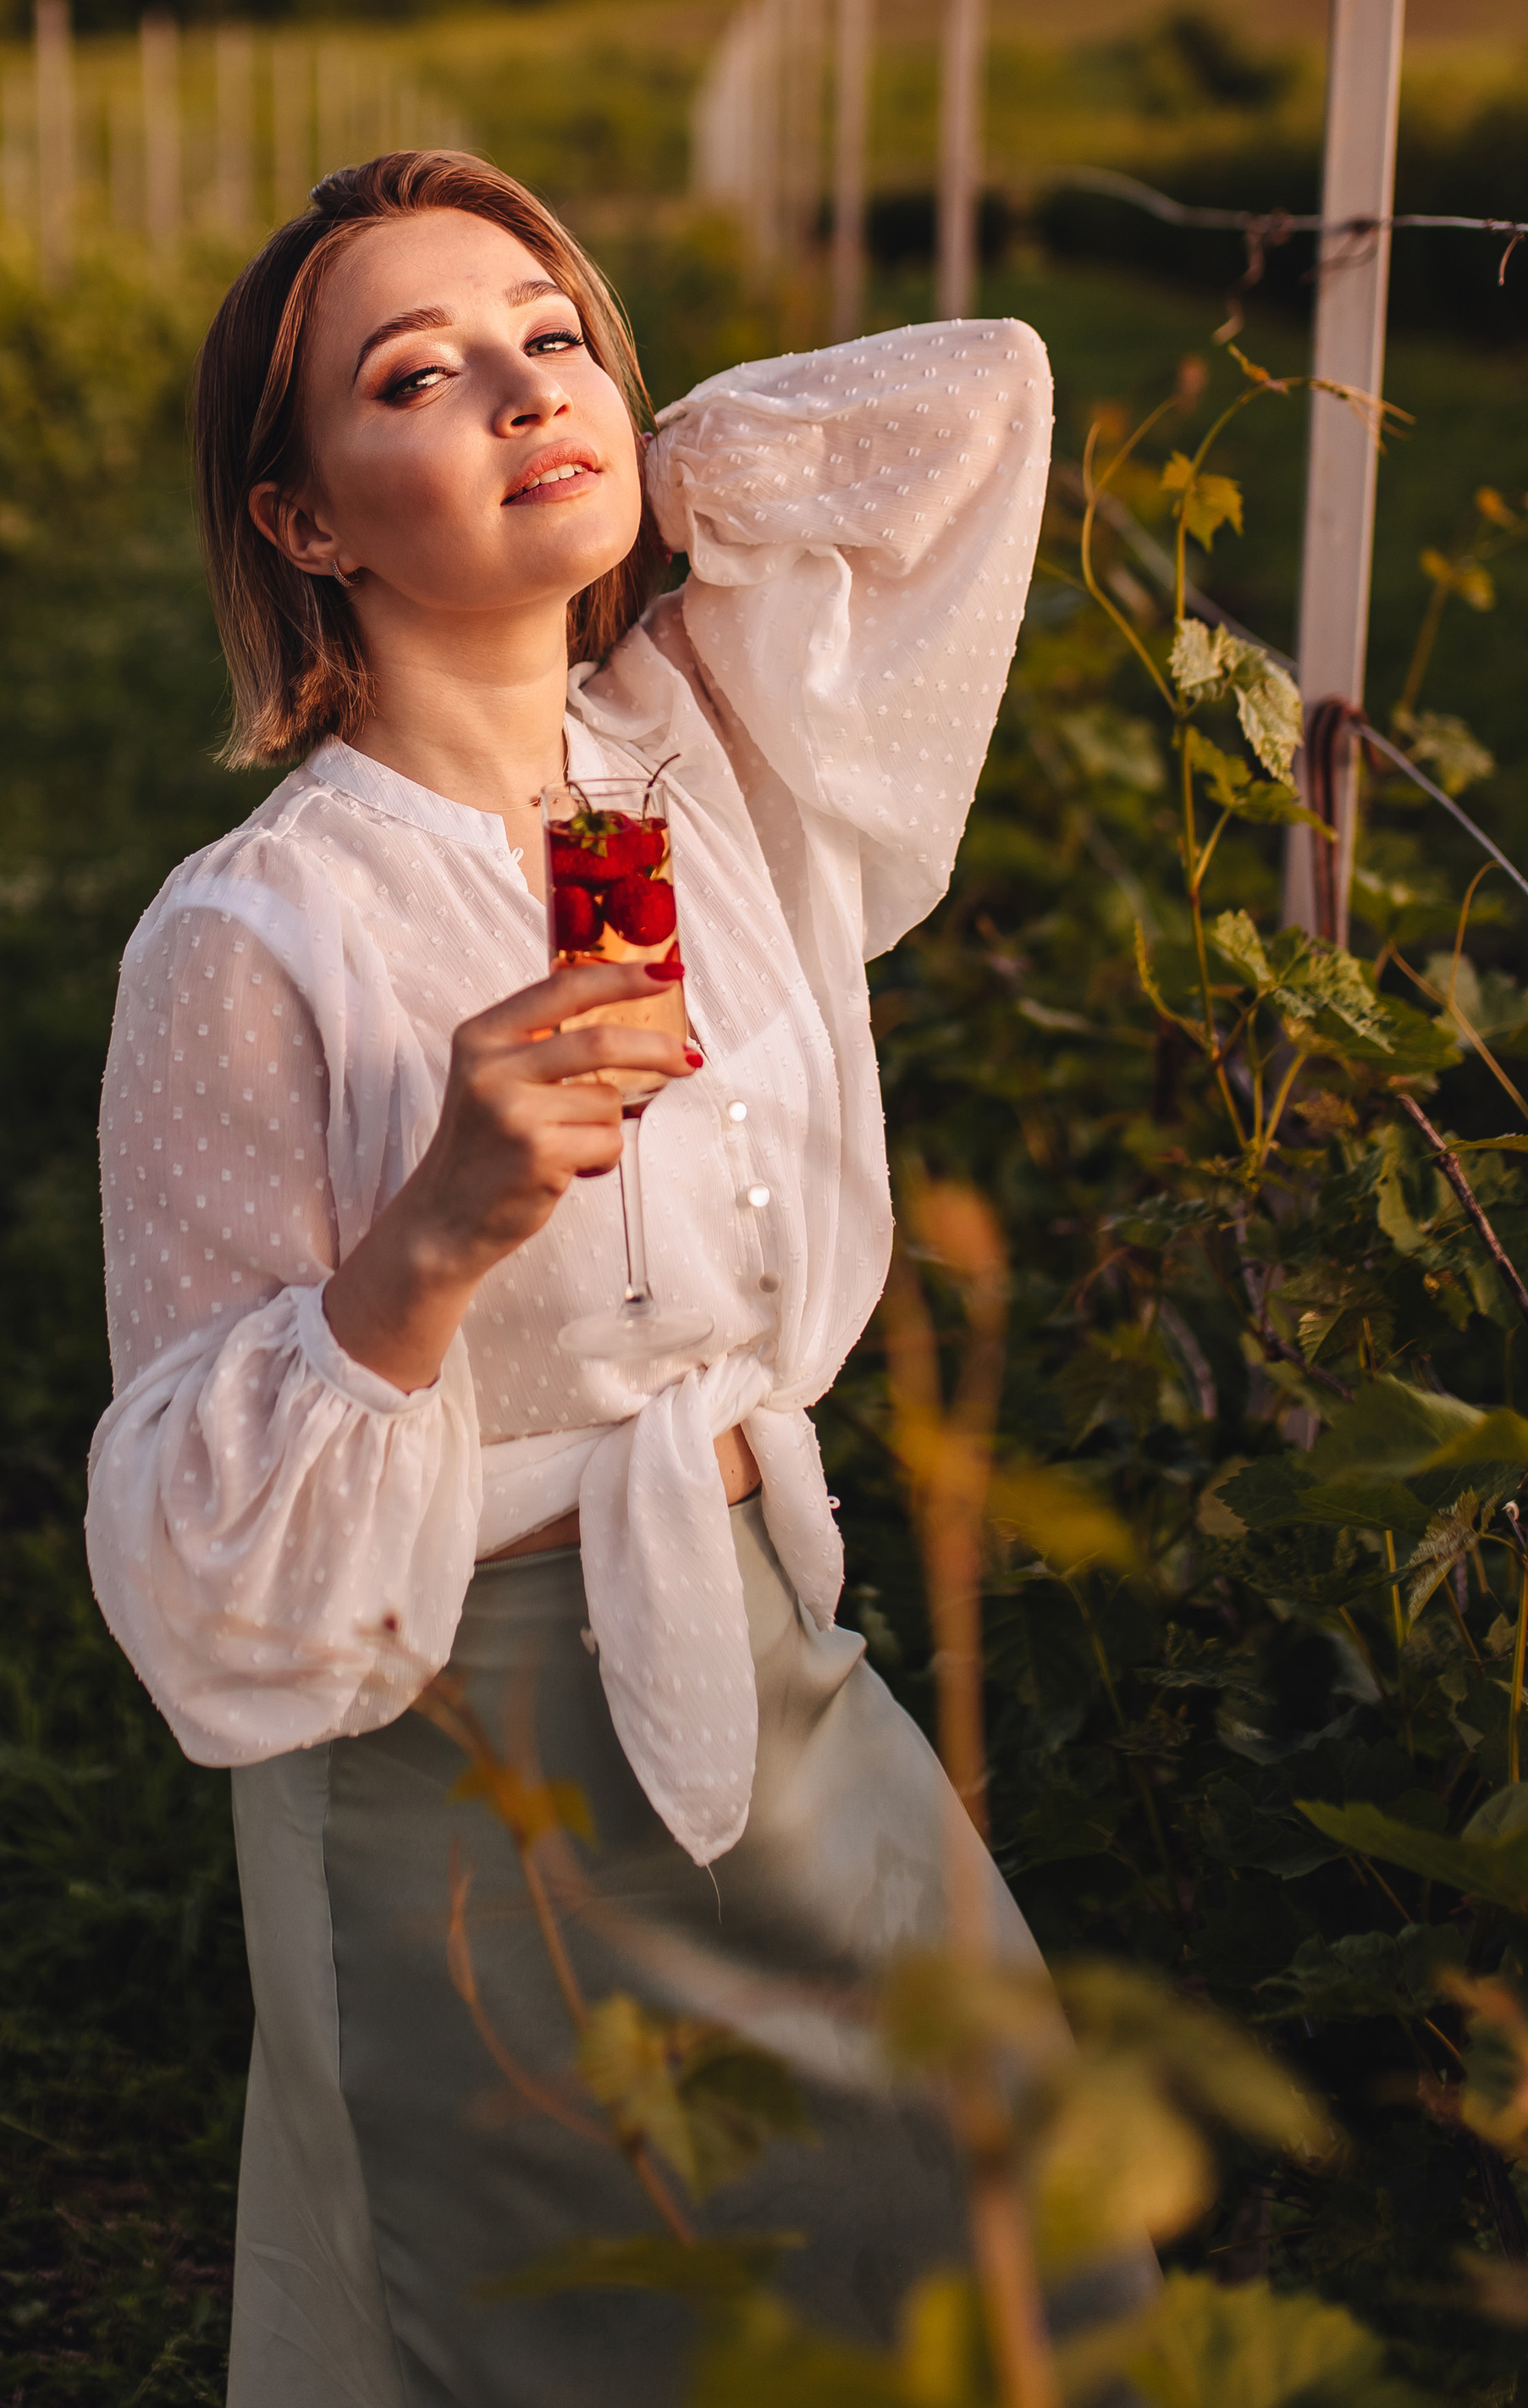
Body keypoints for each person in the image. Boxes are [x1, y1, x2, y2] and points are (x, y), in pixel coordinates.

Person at [86, 151, 1117, 2405]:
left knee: (1015, 2228)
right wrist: (434, 1239)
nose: (516, 393)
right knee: (588, 2338)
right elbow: (185, 1549)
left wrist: (655, 461)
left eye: (551, 339)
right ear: (304, 521)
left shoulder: (692, 758)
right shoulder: (263, 933)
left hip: (771, 1649)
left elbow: (978, 404)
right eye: (415, 377)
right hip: (474, 1756)